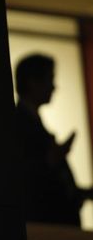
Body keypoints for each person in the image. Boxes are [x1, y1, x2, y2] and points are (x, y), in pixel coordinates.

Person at [15, 53, 93, 227]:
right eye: (49, 79)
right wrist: (50, 161)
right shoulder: (20, 125)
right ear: (32, 82)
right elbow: (25, 177)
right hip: (45, 228)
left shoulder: (29, 123)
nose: (54, 87)